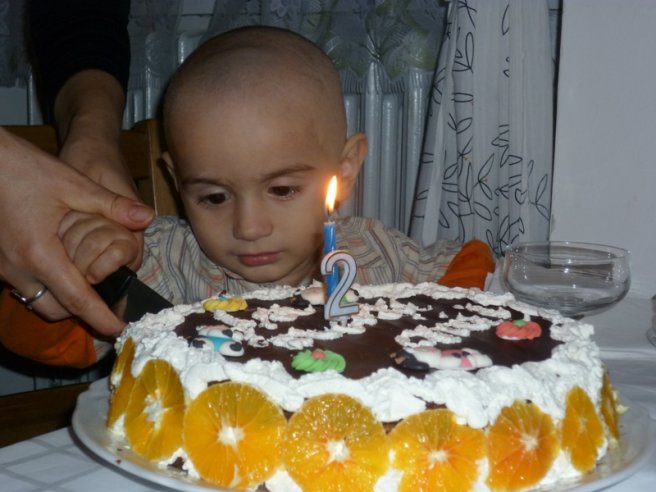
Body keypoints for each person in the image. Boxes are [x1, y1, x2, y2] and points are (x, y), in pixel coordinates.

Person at [0, 26, 495, 367]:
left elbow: (469, 273)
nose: (249, 227)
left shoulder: (372, 252)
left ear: (345, 169)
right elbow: (54, 343)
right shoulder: (155, 261)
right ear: (176, 179)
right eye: (215, 197)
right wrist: (76, 263)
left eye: (282, 189)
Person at [0, 0, 152, 337]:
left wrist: (93, 135)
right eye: (215, 197)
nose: (249, 225)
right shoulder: (168, 253)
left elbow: (79, 15)